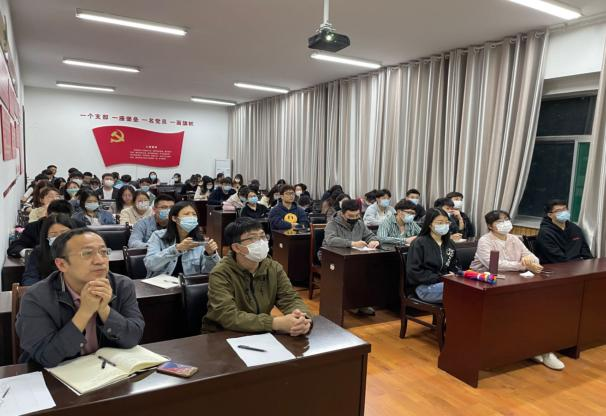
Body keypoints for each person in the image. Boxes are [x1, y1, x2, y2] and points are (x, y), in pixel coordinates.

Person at [16, 229, 145, 367]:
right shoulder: (36, 297)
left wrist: (104, 309)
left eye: (103, 252)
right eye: (87, 253)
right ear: (62, 264)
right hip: (58, 373)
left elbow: (133, 338)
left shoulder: (122, 285)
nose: (100, 261)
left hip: (105, 370)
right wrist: (85, 312)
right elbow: (47, 356)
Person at [470, 210, 564, 371]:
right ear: (490, 226)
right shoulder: (485, 241)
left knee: (540, 307)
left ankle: (540, 349)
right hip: (486, 283)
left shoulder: (514, 238)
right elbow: (495, 265)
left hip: (514, 280)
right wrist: (522, 265)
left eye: (506, 219)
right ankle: (528, 348)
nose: (505, 223)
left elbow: (532, 257)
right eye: (499, 221)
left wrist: (530, 261)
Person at [201, 217, 312, 334]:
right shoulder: (221, 273)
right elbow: (227, 315)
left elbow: (290, 298)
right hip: (223, 334)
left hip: (259, 331)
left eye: (263, 236)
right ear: (236, 247)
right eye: (253, 238)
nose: (261, 242)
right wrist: (274, 323)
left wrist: (302, 318)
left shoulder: (273, 268)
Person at [322, 199, 380, 315]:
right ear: (342, 213)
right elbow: (330, 240)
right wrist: (352, 243)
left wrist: (374, 241)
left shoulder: (359, 223)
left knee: (370, 270)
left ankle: (362, 303)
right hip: (331, 256)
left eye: (357, 215)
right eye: (350, 216)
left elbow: (370, 235)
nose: (354, 218)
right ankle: (350, 303)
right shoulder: (332, 224)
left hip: (353, 256)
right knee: (353, 272)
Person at [144, 201, 220, 277]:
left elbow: (210, 273)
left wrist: (211, 254)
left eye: (194, 214)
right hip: (160, 282)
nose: (191, 217)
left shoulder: (200, 241)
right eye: (186, 214)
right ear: (174, 218)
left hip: (188, 283)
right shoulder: (158, 236)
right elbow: (150, 264)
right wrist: (177, 249)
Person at [406, 208, 459, 304]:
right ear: (430, 224)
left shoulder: (450, 243)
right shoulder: (419, 243)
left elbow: (454, 266)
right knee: (460, 290)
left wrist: (456, 275)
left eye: (447, 222)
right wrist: (441, 278)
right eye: (440, 222)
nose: (444, 225)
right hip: (423, 287)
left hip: (445, 283)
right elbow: (414, 272)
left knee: (468, 288)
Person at [8, 200, 81, 258]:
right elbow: (15, 247)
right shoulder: (33, 227)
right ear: (47, 215)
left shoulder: (78, 225)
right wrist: (30, 253)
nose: (58, 221)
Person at [22, 214, 78, 286]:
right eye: (53, 235)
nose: (59, 237)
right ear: (46, 237)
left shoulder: (82, 251)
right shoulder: (38, 253)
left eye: (64, 233)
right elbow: (30, 279)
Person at [535, 199, 593, 264]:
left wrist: (590, 264)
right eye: (558, 211)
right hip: (556, 267)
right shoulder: (545, 233)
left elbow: (585, 251)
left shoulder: (575, 228)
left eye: (564, 209)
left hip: (577, 265)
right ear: (550, 215)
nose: (563, 212)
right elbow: (557, 258)